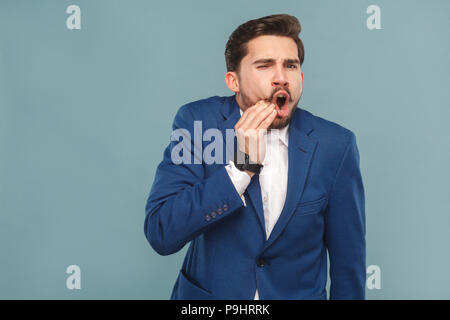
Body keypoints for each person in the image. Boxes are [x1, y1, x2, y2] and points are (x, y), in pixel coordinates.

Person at [144, 14, 366, 300]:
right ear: (233, 81)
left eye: (290, 65)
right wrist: (242, 167)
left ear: (300, 76)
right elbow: (162, 231)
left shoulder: (336, 145)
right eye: (264, 65)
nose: (281, 77)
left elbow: (349, 266)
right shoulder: (197, 124)